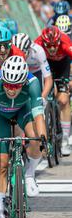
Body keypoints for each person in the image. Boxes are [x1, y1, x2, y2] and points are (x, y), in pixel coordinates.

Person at [0, 56, 47, 218]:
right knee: (1, 163)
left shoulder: (33, 83)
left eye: (16, 86)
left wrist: (44, 139)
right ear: (3, 79)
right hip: (1, 116)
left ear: (24, 82)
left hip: (23, 111)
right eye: (8, 85)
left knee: (36, 140)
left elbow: (38, 116)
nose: (11, 90)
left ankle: (29, 175)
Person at [34, 26, 72, 156]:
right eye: (48, 46)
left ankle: (65, 139)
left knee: (63, 99)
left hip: (63, 65)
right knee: (43, 95)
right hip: (46, 65)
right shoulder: (37, 43)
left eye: (54, 45)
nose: (51, 48)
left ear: (59, 41)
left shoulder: (66, 42)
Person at [12, 33, 53, 105]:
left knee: (38, 99)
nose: (20, 55)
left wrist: (42, 97)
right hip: (21, 72)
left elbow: (48, 79)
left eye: (23, 52)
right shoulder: (10, 52)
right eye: (17, 52)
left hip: (36, 72)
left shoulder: (38, 51)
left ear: (29, 49)